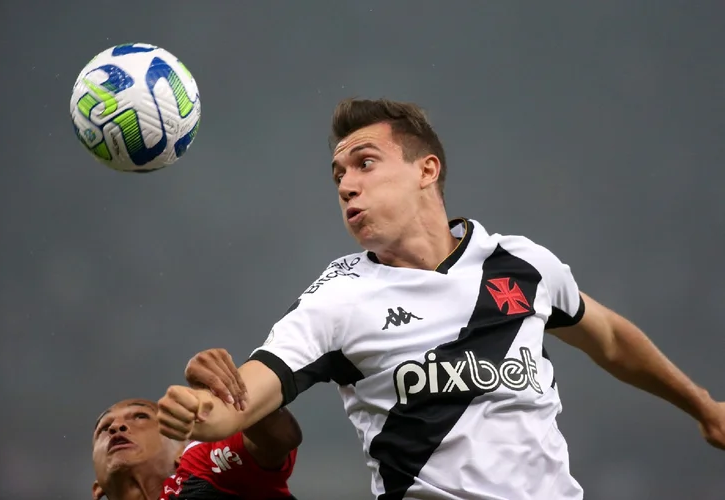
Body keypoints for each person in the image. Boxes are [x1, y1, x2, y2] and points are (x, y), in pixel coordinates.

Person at [156, 98, 725, 500]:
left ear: (426, 169)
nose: (346, 184)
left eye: (365, 163)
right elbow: (243, 396)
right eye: (338, 176)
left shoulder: (521, 264)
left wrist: (703, 407)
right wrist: (198, 410)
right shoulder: (338, 300)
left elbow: (610, 339)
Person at [92, 396, 301, 499]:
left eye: (140, 416)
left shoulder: (202, 463)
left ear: (181, 451)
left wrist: (232, 395)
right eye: (103, 428)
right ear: (97, 489)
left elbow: (280, 438)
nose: (116, 427)